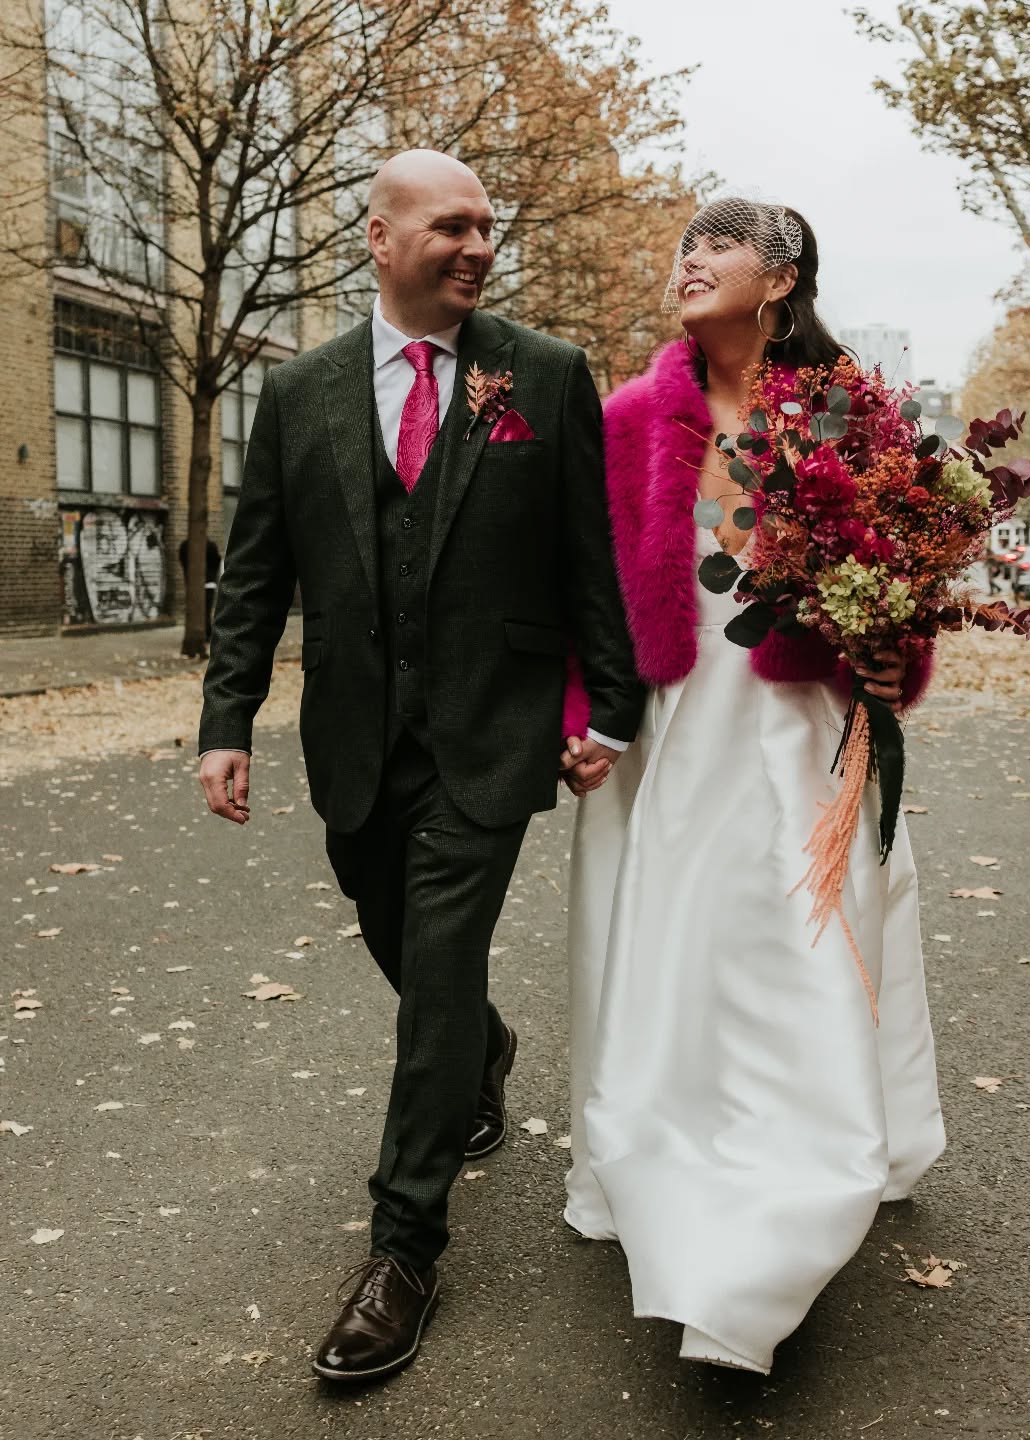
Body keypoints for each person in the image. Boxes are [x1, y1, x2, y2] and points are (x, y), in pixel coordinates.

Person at [196, 150, 643, 1384]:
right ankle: (482, 1050)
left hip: (492, 736)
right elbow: (258, 574)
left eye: (488, 229)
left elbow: (583, 556)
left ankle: (403, 1248)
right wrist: (225, 723)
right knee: (393, 933)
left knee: (435, 965)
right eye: (450, 226)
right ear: (380, 237)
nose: (477, 247)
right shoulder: (301, 392)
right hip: (356, 739)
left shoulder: (541, 376)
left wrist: (610, 709)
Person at [560, 199, 946, 1375]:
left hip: (806, 729)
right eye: (683, 243)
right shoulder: (629, 418)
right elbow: (589, 587)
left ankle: (793, 1199)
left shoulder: (855, 415)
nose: (689, 258)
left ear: (780, 278)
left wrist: (897, 654)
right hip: (671, 734)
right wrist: (584, 722)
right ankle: (662, 1158)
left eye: (717, 243)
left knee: (803, 949)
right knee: (672, 950)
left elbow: (903, 592)